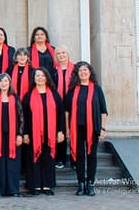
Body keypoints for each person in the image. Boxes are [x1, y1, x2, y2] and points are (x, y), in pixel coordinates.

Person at [65, 61, 108, 196]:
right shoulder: (72, 90)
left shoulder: (96, 89)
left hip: (93, 128)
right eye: (80, 71)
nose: (83, 73)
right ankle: (81, 183)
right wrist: (67, 130)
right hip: (76, 128)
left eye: (85, 70)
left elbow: (103, 111)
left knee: (92, 156)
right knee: (79, 156)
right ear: (77, 74)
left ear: (90, 73)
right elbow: (67, 112)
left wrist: (103, 128)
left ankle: (90, 184)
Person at [23, 67, 65, 195]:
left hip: (50, 132)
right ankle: (34, 186)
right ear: (34, 79)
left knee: (48, 158)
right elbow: (23, 116)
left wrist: (60, 131)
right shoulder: (28, 95)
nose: (40, 78)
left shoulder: (54, 94)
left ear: (46, 78)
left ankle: (47, 185)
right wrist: (24, 133)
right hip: (33, 133)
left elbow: (61, 114)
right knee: (34, 158)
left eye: (42, 76)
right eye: (37, 76)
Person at [0, 73, 24, 197]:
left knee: (13, 162)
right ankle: (0, 190)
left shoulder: (15, 98)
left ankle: (14, 190)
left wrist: (20, 134)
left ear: (10, 83)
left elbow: (21, 117)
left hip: (13, 135)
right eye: (1, 81)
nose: (3, 84)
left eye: (6, 81)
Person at [54, 45, 75, 169]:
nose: (61, 55)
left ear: (67, 54)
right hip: (58, 105)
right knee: (60, 130)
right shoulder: (53, 71)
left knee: (74, 132)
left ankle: (74, 159)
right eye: (59, 53)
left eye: (63, 53)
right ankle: (60, 158)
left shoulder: (75, 69)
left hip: (73, 104)